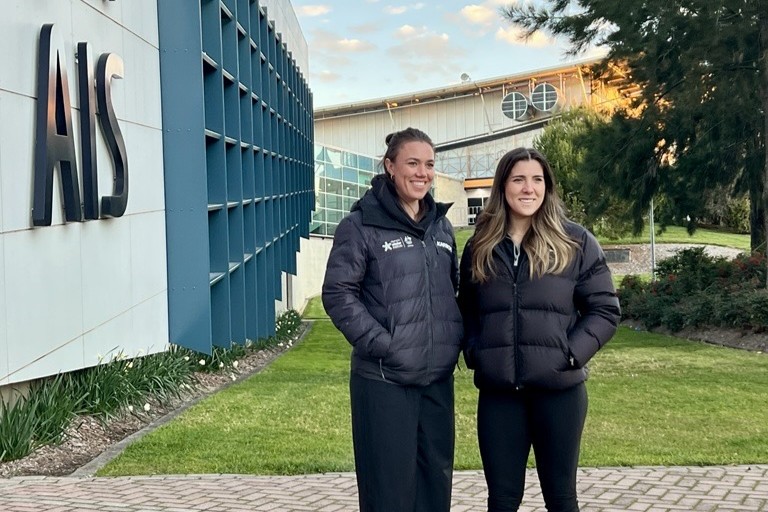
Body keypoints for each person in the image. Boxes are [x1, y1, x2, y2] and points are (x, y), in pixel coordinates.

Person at [458, 147, 621, 512]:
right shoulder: (480, 246)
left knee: (561, 500)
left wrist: (570, 353)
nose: (528, 188)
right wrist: (476, 352)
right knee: (501, 501)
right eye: (518, 179)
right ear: (503, 187)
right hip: (500, 396)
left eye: (537, 180)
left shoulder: (575, 242)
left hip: (559, 393)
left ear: (547, 188)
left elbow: (605, 310)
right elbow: (467, 310)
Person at [322, 127, 463, 512]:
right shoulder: (360, 225)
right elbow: (337, 294)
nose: (423, 173)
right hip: (385, 382)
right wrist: (387, 346)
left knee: (435, 487)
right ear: (389, 166)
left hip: (436, 380)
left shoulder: (441, 226)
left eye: (430, 164)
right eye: (412, 163)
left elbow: (452, 290)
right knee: (389, 494)